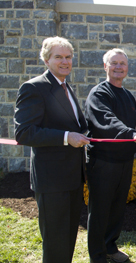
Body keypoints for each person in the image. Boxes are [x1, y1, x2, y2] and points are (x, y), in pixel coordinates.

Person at [14, 36, 90, 263]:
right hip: (52, 182)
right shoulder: (33, 88)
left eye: (68, 57)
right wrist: (67, 137)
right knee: (55, 243)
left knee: (67, 239)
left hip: (73, 179)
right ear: (46, 60)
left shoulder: (66, 86)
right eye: (58, 57)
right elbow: (24, 133)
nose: (65, 61)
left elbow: (76, 126)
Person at [85, 49, 136, 263]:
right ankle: (97, 255)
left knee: (116, 208)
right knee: (100, 210)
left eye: (122, 64)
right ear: (105, 67)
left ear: (127, 68)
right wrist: (133, 135)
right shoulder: (99, 94)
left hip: (124, 161)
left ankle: (110, 246)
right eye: (114, 63)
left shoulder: (126, 95)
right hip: (103, 162)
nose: (118, 67)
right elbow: (107, 121)